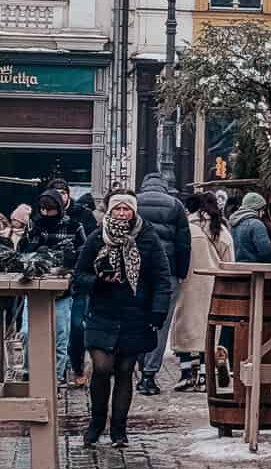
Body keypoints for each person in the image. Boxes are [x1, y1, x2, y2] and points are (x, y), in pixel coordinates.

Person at [71, 191, 171, 448]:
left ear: (134, 212)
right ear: (110, 211)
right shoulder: (96, 239)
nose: (122, 213)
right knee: (102, 368)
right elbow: (78, 278)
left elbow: (161, 277)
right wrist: (99, 281)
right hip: (103, 314)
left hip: (135, 315)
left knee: (126, 370)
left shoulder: (148, 239)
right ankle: (96, 423)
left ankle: (119, 429)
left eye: (127, 209)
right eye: (118, 209)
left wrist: (158, 311)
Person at [134, 169, 192, 396]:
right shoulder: (175, 205)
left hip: (137, 271)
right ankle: (149, 374)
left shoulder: (135, 202)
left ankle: (138, 361)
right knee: (161, 322)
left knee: (137, 318)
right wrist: (181, 273)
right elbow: (183, 243)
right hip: (165, 273)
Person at [17, 190, 85, 381]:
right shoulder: (35, 225)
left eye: (51, 210)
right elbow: (22, 252)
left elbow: (84, 253)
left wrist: (71, 260)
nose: (47, 214)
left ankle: (55, 378)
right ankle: (30, 375)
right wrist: (33, 249)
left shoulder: (74, 226)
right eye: (44, 209)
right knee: (26, 333)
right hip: (34, 287)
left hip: (62, 290)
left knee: (60, 336)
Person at [169, 193, 233, 392]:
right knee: (209, 330)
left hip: (186, 284)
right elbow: (230, 261)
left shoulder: (185, 228)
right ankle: (206, 375)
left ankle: (186, 374)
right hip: (214, 287)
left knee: (185, 328)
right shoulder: (220, 230)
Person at [230, 191, 271, 264]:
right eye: (262, 210)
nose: (263, 213)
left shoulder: (234, 223)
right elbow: (266, 253)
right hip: (254, 270)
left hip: (236, 268)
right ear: (256, 209)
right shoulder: (257, 224)